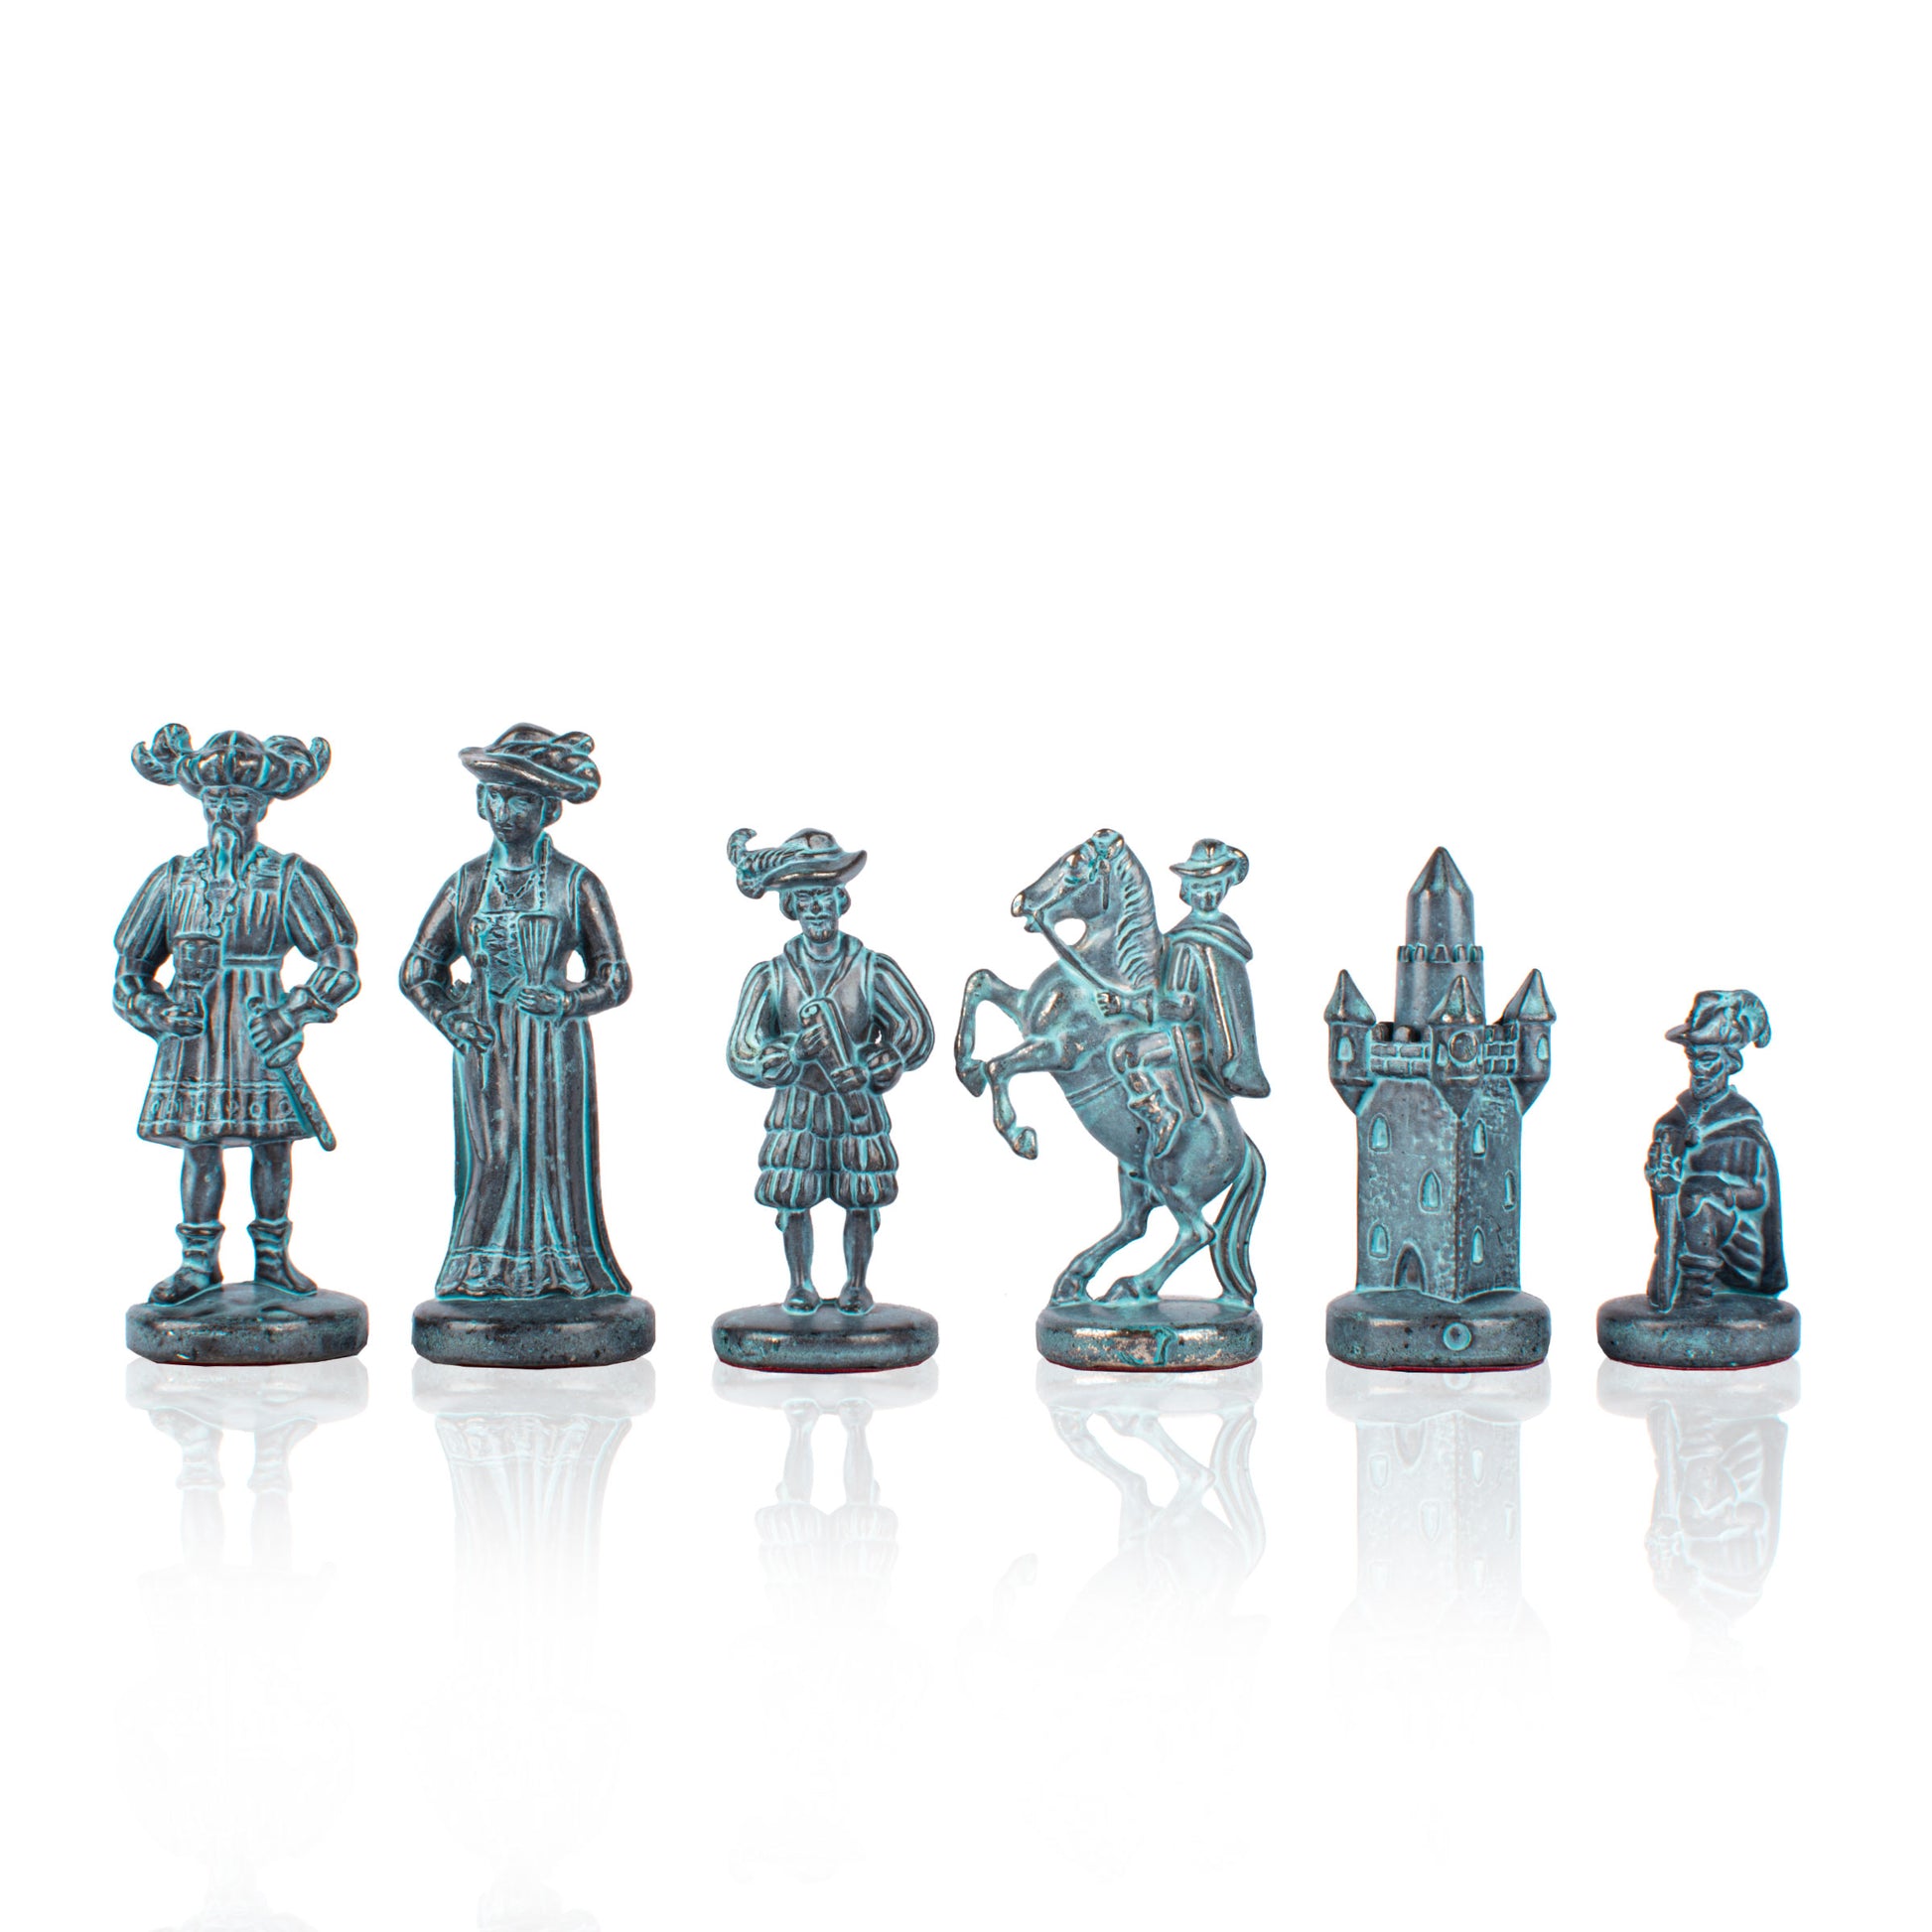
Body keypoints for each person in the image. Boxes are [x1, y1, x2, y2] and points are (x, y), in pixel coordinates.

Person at [115, 726, 360, 1301]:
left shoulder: (289, 877)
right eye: (217, 800)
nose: (227, 812)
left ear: (262, 808)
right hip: (195, 1035)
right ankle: (197, 1263)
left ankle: (273, 1258)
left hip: (258, 1028)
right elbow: (130, 970)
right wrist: (156, 1010)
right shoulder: (174, 878)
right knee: (199, 1146)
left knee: (272, 1145)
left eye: (241, 802)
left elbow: (339, 960)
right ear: (202, 805)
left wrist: (293, 1012)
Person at [400, 725, 632, 1298]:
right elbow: (417, 969)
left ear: (549, 809)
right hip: (485, 1039)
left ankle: (560, 1265)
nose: (507, 812)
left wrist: (569, 1000)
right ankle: (479, 1266)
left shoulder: (575, 883)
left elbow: (616, 977)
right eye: (498, 797)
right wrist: (450, 1018)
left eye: (522, 799)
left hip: (552, 1042)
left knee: (553, 1155)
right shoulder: (466, 884)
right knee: (494, 1152)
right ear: (481, 802)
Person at [726, 828, 934, 1314]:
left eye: (824, 896)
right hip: (799, 1102)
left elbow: (914, 1028)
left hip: (854, 1098)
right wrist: (791, 1054)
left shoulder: (872, 969)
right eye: (805, 899)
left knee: (861, 1193)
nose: (817, 909)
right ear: (791, 907)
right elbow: (742, 1049)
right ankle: (799, 1283)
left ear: (842, 899)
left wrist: (885, 1060)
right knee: (792, 1194)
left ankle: (856, 1284)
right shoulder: (771, 976)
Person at [1100, 837, 1270, 1157]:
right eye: (1199, 886)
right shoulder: (1203, 936)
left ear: (1226, 887)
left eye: (1215, 886)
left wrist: (1127, 1005)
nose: (1207, 894)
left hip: (1199, 1040)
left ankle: (1161, 1115)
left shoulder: (1195, 943)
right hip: (1202, 1035)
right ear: (1187, 889)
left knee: (1127, 1053)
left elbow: (1181, 1007)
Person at [1646, 989, 1785, 1307]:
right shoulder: (1674, 1121)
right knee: (1691, 1202)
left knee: (1699, 1199)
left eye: (1707, 1059)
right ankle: (1676, 1284)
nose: (1698, 1068)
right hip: (1680, 1236)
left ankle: (1698, 1294)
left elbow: (1758, 1194)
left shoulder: (1742, 1129)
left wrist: (1723, 1192)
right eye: (1693, 1058)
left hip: (1736, 1248)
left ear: (1728, 1063)